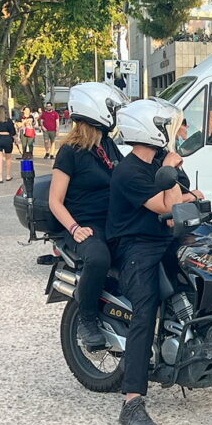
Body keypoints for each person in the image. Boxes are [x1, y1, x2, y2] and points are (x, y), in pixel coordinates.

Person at [107, 99, 212, 425]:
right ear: (148, 129)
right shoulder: (129, 171)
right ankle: (132, 401)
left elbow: (191, 197)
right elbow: (170, 206)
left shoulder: (161, 162)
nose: (170, 132)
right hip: (135, 245)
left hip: (168, 237)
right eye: (164, 126)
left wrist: (177, 187)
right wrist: (172, 177)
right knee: (145, 310)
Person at [49, 82, 129, 348]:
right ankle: (87, 319)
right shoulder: (69, 152)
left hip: (114, 222)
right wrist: (75, 228)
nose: (114, 115)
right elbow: (55, 201)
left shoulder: (108, 145)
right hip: (85, 225)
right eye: (111, 109)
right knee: (98, 258)